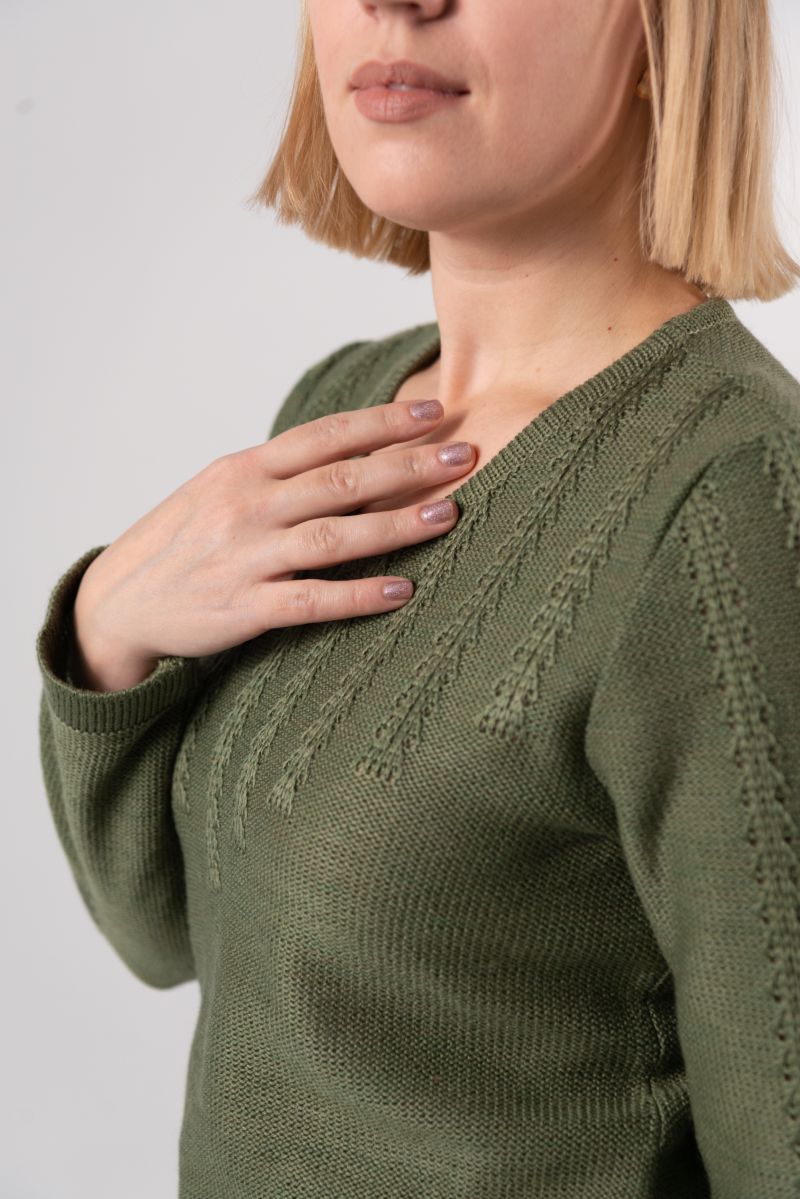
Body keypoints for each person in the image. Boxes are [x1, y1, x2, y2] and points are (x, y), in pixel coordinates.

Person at [35, 0, 800, 1195]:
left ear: (663, 32)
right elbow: (175, 932)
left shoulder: (724, 495)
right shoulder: (339, 411)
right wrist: (107, 631)